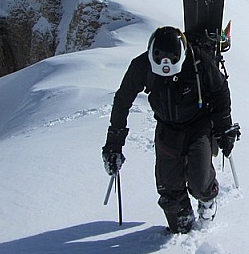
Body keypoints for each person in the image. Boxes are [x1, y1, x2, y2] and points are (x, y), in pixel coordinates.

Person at [102, 26, 239, 234]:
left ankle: (207, 200)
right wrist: (114, 144)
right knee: (169, 191)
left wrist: (223, 129)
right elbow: (122, 100)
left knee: (200, 182)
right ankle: (182, 222)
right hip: (167, 128)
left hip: (198, 125)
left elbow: (220, 91)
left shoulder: (199, 62)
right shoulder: (142, 66)